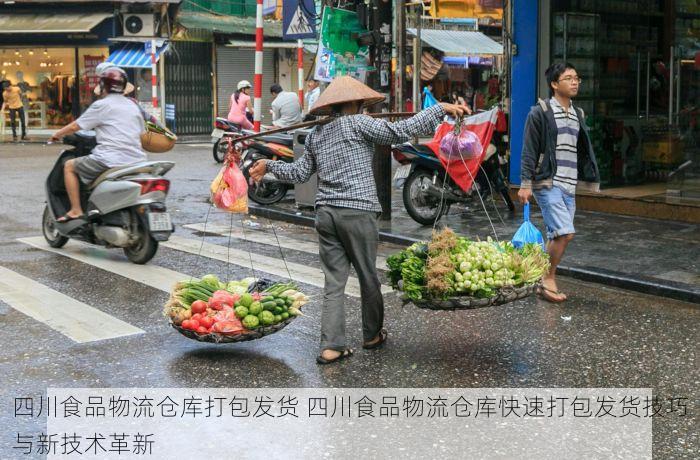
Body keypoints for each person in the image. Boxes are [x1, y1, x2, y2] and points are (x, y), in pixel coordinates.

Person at [249, 76, 466, 364]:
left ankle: (331, 346)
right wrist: (439, 108)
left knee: (334, 282)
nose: (364, 106)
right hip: (358, 211)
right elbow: (401, 131)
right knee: (368, 277)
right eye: (360, 103)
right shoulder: (359, 123)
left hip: (326, 214)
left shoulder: (316, 133)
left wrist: (270, 166)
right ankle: (372, 335)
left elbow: (300, 173)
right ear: (353, 103)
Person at [517, 62, 600, 303]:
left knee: (557, 234)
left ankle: (536, 274)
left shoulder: (578, 114)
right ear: (555, 84)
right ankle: (547, 277)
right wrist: (525, 183)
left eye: (577, 78)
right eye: (569, 78)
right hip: (547, 183)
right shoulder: (540, 112)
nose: (575, 82)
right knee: (565, 233)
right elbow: (529, 150)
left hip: (569, 184)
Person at [49, 68, 146, 222]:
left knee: (69, 166)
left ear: (103, 86)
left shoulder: (101, 105)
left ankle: (75, 210)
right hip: (137, 160)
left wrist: (57, 134)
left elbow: (75, 126)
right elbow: (142, 133)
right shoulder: (133, 106)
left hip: (110, 159)